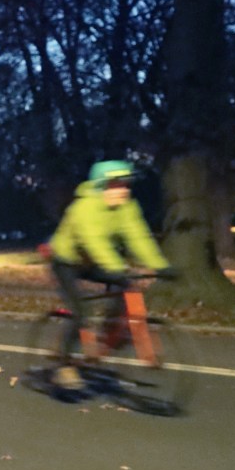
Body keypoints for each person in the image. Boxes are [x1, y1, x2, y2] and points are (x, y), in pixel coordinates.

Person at [47, 160, 174, 389]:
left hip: (93, 262)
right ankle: (63, 366)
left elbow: (139, 237)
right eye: (115, 184)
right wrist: (115, 268)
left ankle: (106, 334)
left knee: (127, 287)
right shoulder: (83, 208)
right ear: (101, 186)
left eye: (126, 184)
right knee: (81, 312)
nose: (123, 189)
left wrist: (160, 265)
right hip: (66, 261)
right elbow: (93, 240)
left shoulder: (127, 207)